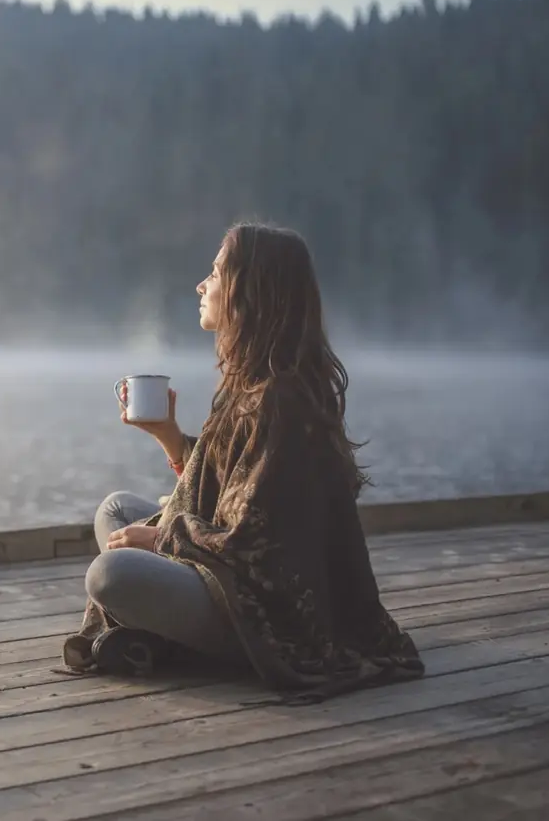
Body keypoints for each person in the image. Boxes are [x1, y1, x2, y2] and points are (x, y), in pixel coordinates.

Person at [61, 222, 424, 704]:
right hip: (227, 569)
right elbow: (228, 487)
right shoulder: (253, 383)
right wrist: (169, 436)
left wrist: (163, 537)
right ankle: (160, 628)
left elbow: (257, 542)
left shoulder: (282, 400)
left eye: (215, 273)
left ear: (249, 292)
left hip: (271, 613)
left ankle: (176, 638)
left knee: (111, 575)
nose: (201, 285)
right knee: (117, 509)